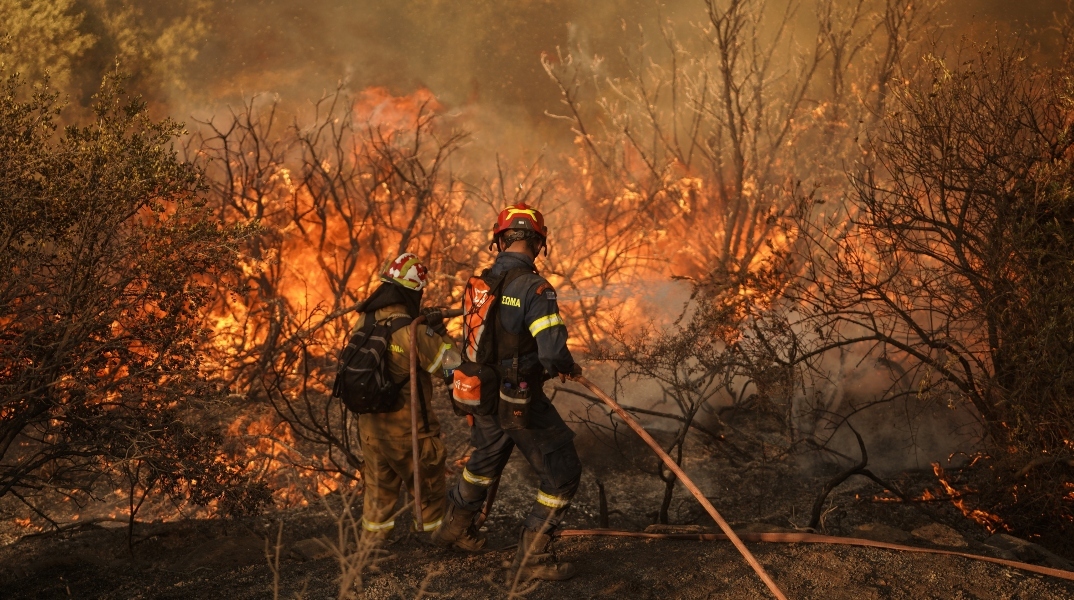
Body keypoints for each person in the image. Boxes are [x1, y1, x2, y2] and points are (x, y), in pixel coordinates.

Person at [432, 203, 583, 581]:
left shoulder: (478, 285)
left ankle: (454, 526)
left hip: (481, 394)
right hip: (519, 400)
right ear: (539, 243)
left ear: (499, 240)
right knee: (562, 472)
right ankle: (531, 559)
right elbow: (550, 351)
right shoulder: (535, 288)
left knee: (484, 461)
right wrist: (566, 366)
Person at [354, 252, 455, 541]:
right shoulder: (413, 331)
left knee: (377, 495)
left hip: (371, 431)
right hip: (409, 434)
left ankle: (371, 554)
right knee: (429, 492)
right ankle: (430, 552)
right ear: (413, 293)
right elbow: (453, 367)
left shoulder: (364, 322)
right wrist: (438, 330)